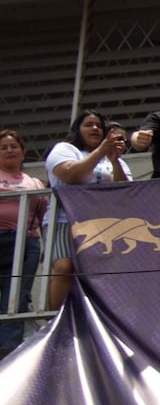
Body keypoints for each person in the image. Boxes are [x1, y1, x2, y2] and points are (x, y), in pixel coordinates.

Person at [45, 111, 131, 310]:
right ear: (77, 129)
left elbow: (124, 190)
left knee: (96, 273)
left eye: (99, 126)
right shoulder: (64, 149)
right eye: (88, 124)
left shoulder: (111, 158)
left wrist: (115, 160)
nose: (94, 129)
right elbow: (71, 175)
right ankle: (55, 318)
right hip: (65, 219)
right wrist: (101, 151)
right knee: (64, 267)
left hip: (102, 225)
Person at [0, 130, 44, 354]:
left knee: (16, 296)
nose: (9, 150)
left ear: (23, 152)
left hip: (27, 241)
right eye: (4, 147)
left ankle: (9, 350)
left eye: (14, 146)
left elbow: (42, 213)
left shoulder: (34, 181)